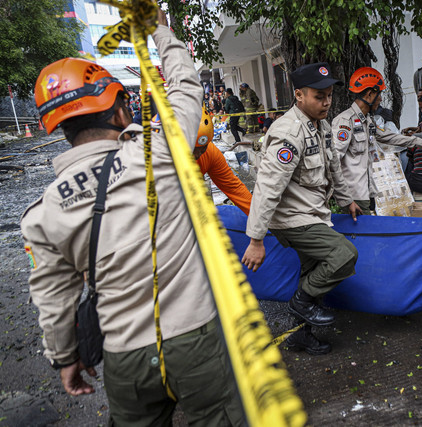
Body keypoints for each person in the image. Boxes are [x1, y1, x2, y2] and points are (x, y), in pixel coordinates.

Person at [23, 10, 244, 425]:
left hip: (123, 359)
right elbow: (185, 86)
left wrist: (65, 359)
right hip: (193, 340)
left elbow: (52, 299)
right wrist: (158, 28)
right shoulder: (162, 152)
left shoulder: (43, 213)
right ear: (121, 112)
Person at [241, 62, 361, 355]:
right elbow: (267, 187)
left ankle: (300, 335)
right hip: (293, 219)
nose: (327, 102)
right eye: (319, 96)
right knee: (344, 255)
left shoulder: (322, 125)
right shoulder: (288, 134)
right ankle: (300, 303)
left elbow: (334, 168)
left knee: (312, 276)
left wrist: (347, 200)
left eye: (330, 95)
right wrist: (256, 239)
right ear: (298, 95)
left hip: (313, 213)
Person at [332, 67, 422, 214]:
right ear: (369, 94)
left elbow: (390, 136)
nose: (380, 99)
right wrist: (345, 199)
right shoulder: (344, 122)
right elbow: (333, 161)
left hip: (367, 191)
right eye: (379, 94)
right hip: (354, 196)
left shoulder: (367, 121)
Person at [153, 109, 253, 215]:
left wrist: (260, 218)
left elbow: (234, 188)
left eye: (202, 149)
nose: (197, 155)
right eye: (192, 150)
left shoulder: (210, 152)